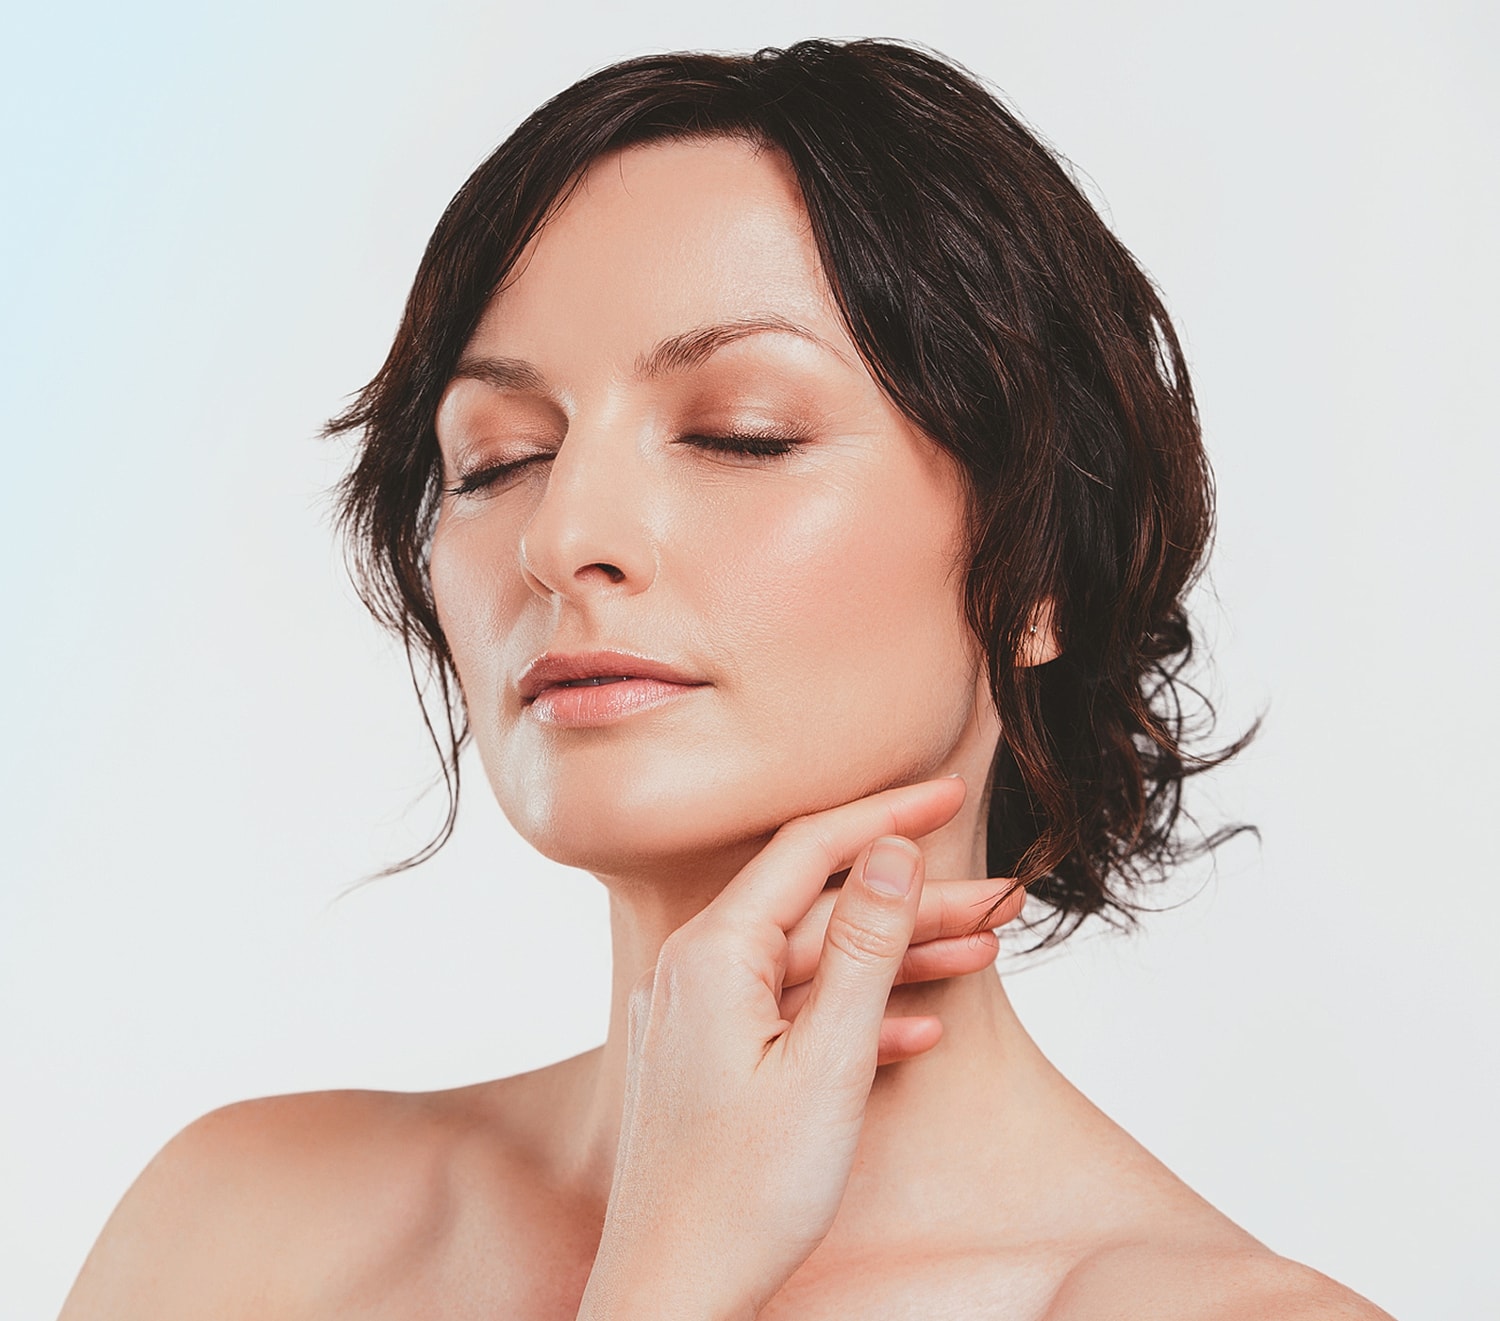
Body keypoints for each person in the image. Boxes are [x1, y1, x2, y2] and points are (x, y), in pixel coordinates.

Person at [60, 39, 1394, 1319]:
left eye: (740, 435)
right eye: (499, 458)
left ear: (1043, 565)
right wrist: (668, 1276)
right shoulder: (239, 1234)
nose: (562, 535)